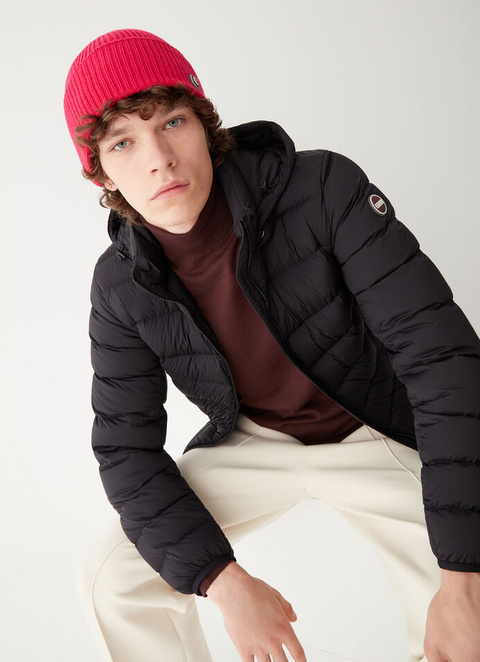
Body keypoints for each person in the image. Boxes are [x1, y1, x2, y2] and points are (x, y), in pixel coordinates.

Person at [64, 29, 480, 662]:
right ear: (99, 169)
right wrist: (223, 581)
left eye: (172, 121)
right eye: (123, 141)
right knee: (110, 578)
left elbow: (442, 360)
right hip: (254, 440)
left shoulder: (322, 188)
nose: (159, 159)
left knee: (467, 598)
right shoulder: (120, 282)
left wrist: (464, 580)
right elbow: (125, 449)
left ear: (204, 125)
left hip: (367, 424)